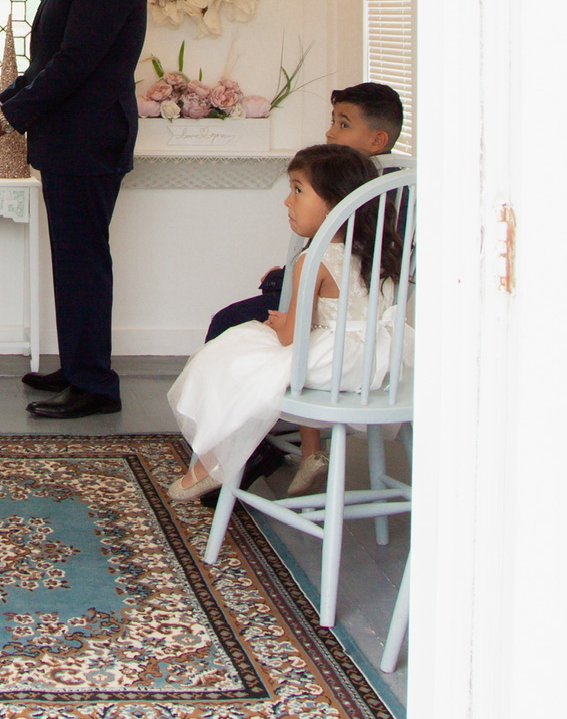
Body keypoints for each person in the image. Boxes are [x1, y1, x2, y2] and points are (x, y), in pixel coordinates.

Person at [0, 0, 148, 420]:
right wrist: (3, 99)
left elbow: (76, 64)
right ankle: (76, 367)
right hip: (74, 142)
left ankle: (93, 383)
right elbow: (52, 60)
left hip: (89, 142)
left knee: (83, 263)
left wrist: (9, 118)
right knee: (74, 261)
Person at [166, 143, 407, 506]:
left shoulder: (315, 257)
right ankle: (265, 455)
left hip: (334, 363)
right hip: (379, 363)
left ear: (336, 201)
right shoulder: (377, 252)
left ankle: (216, 460)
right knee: (249, 352)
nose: (287, 201)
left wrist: (278, 324)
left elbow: (293, 338)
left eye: (297, 190)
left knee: (232, 355)